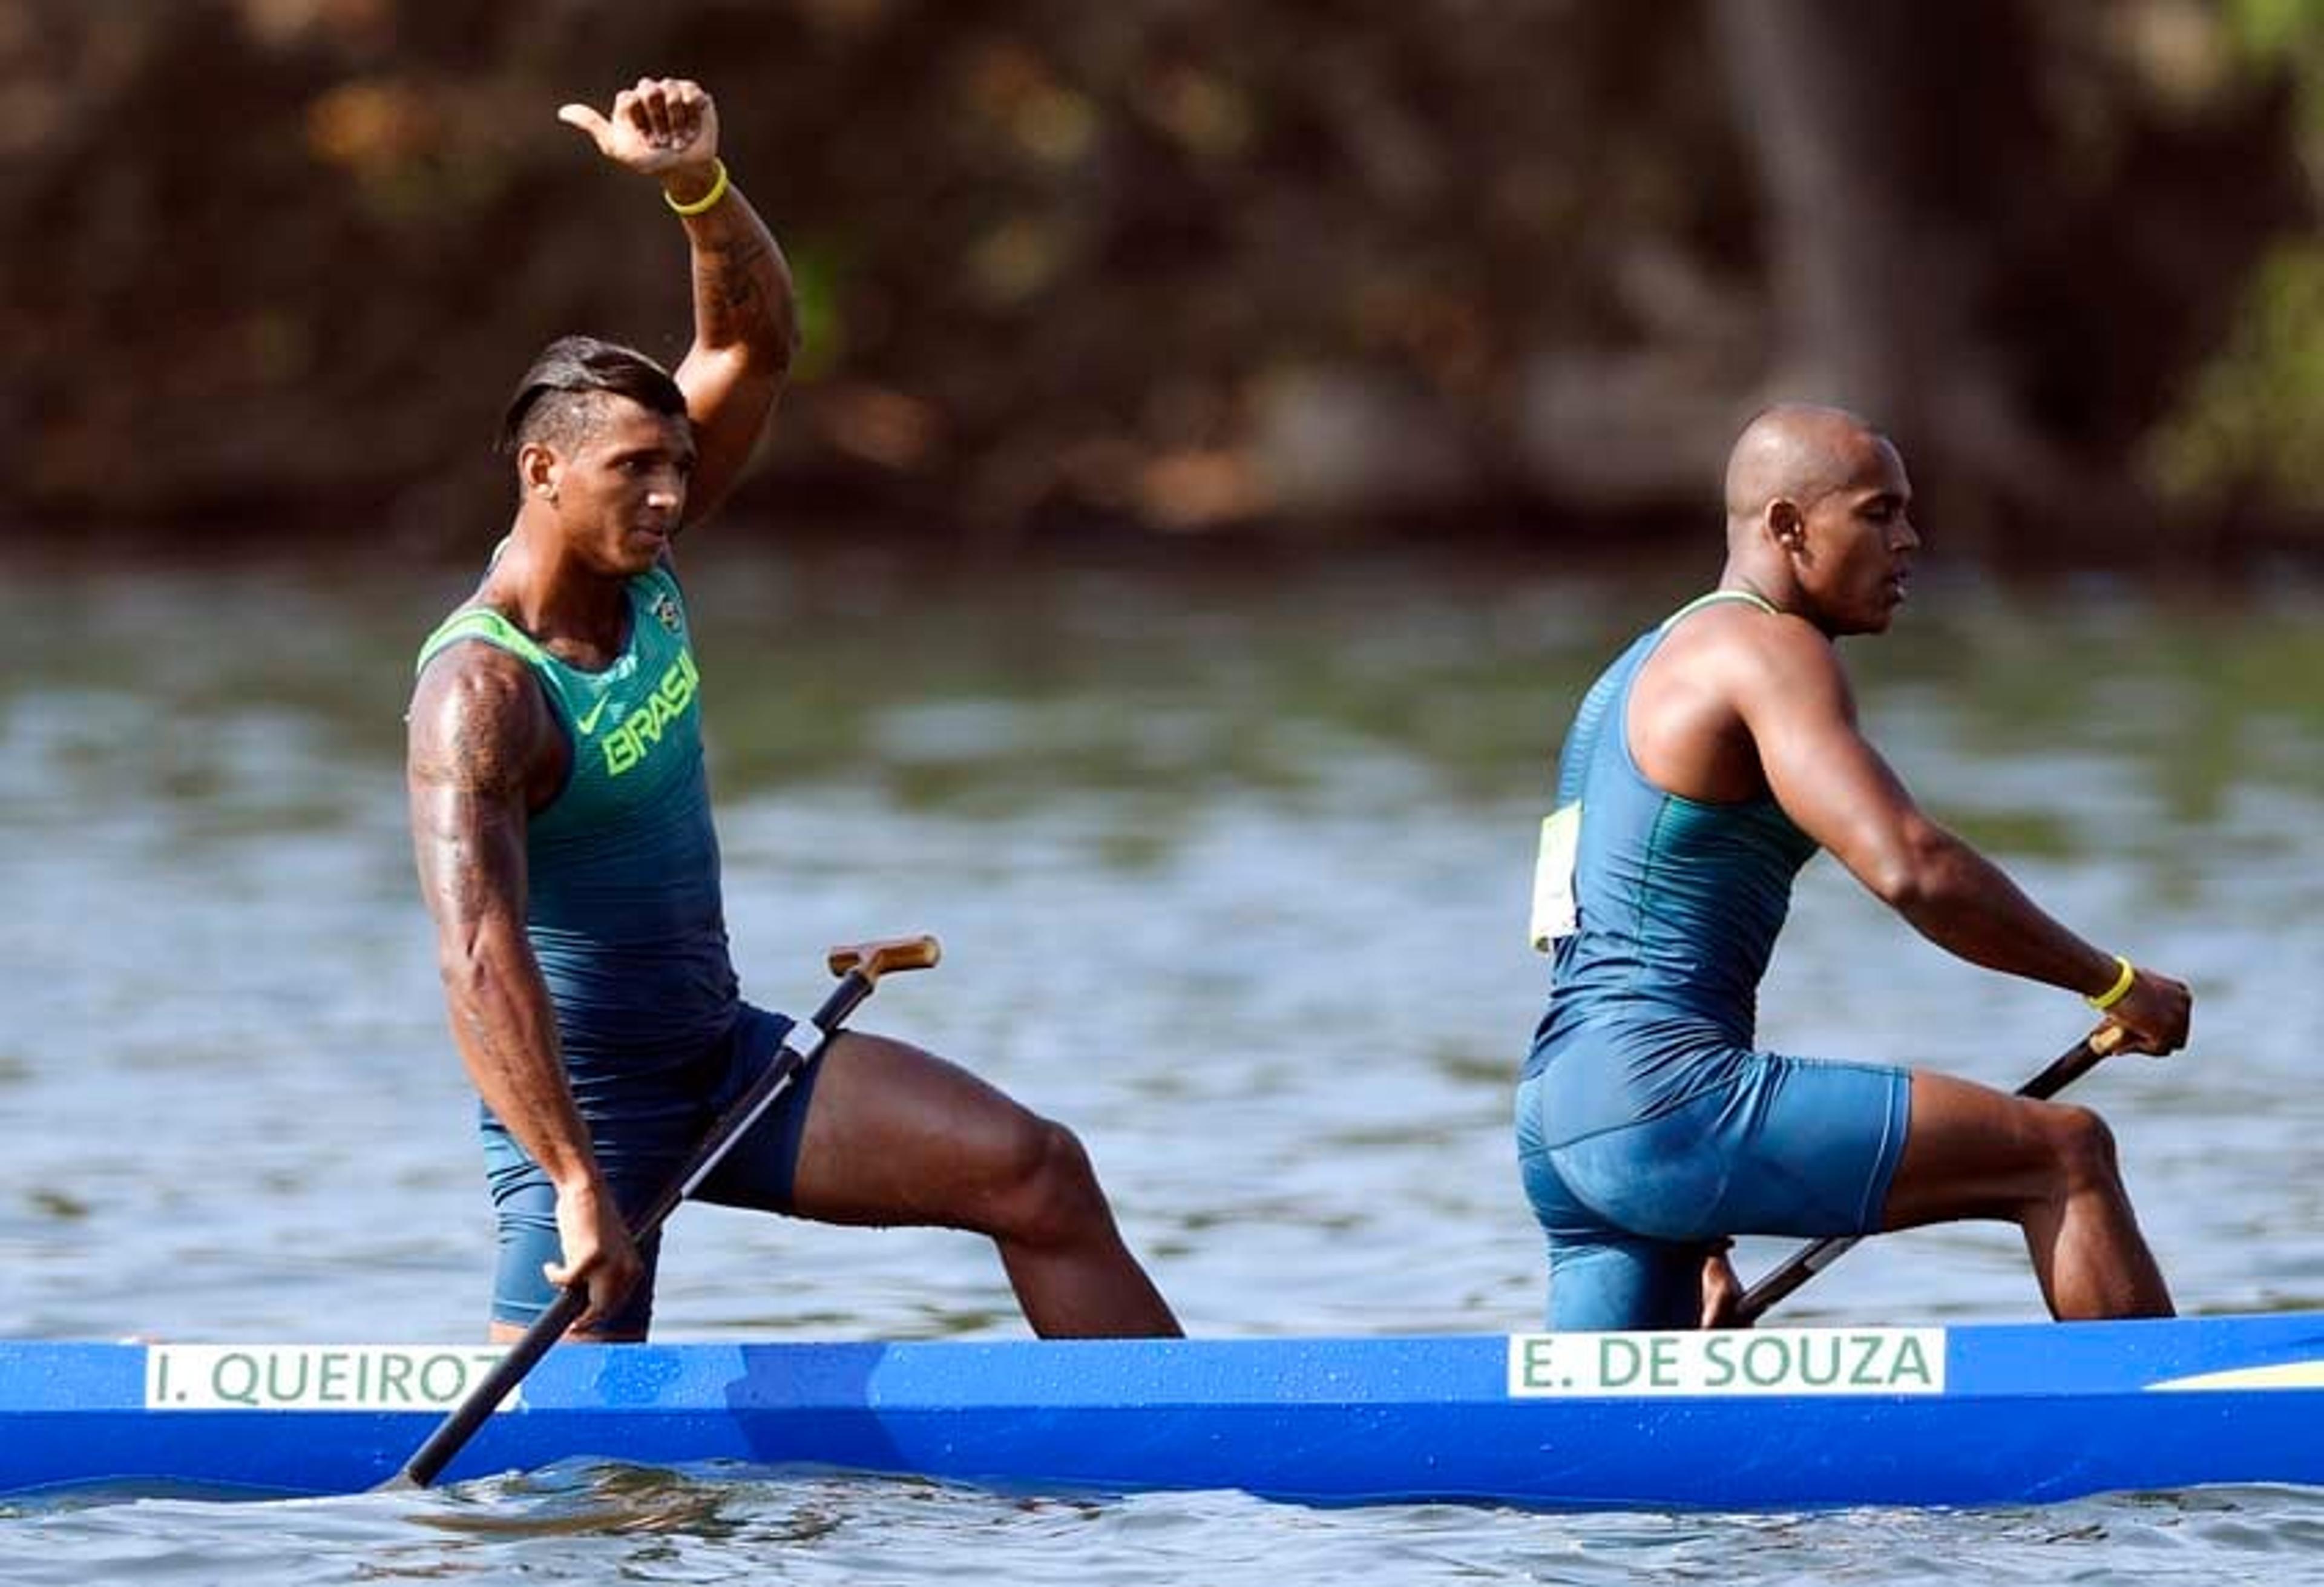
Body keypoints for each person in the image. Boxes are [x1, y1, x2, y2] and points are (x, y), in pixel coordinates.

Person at [405, 77, 1180, 1343]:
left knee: (1036, 1169)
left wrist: (698, 192)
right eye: (632, 471)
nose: (668, 495)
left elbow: (752, 347)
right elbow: (478, 960)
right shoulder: (482, 696)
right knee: (571, 1496)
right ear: (542, 472)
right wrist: (573, 1182)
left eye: (676, 467)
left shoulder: (638, 561)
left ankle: (1177, 1475)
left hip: (724, 1062)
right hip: (584, 1109)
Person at [1515, 402, 2193, 1332]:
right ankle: (2174, 1441)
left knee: (1597, 1460)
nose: (1909, 540)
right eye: (1879, 514)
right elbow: (1911, 865)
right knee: (2065, 1153)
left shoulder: (1628, 678)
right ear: (1788, 526)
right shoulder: (1770, 652)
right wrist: (2112, 982)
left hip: (1564, 1121)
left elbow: (1596, 942)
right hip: (1665, 1105)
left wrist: (1704, 1229)